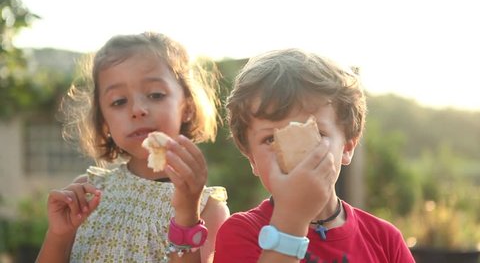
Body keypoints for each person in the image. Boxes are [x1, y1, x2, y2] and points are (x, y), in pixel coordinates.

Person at [36, 32, 229, 263]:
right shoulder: (89, 195)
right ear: (104, 121)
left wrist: (187, 216)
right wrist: (60, 235)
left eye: (156, 95)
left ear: (186, 106)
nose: (137, 109)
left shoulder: (207, 209)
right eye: (119, 101)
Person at [213, 48, 415, 263]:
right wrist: (291, 220)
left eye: (314, 133)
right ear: (252, 158)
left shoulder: (385, 240)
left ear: (346, 147)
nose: (292, 153)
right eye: (271, 139)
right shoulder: (241, 232)